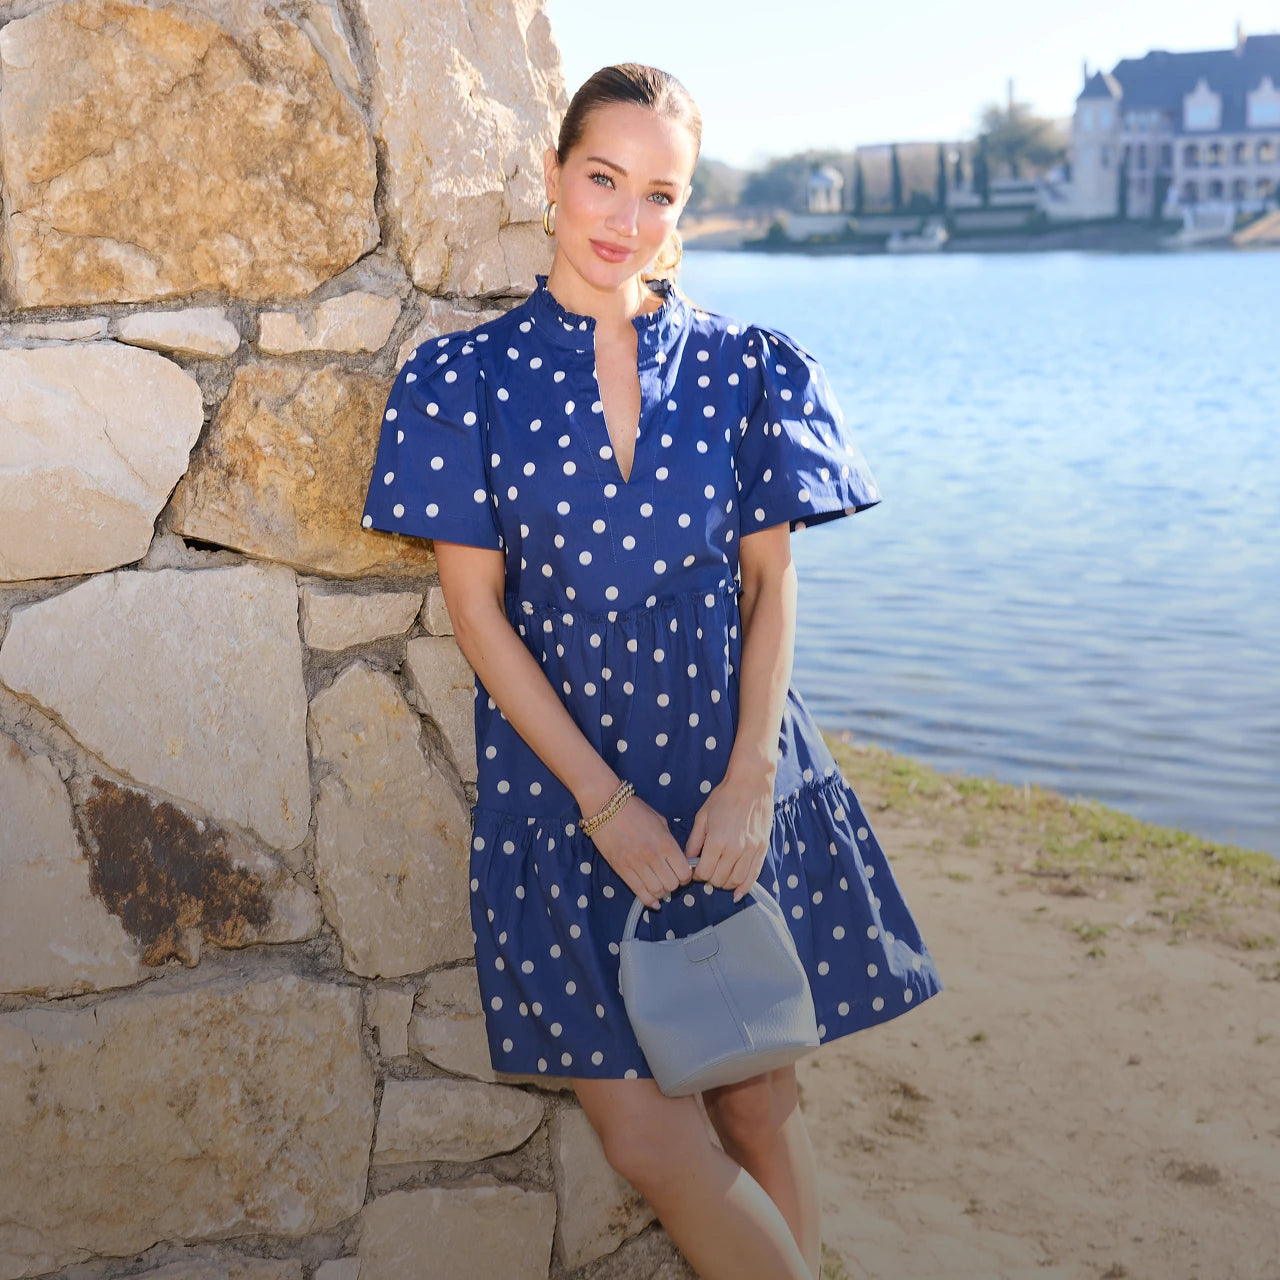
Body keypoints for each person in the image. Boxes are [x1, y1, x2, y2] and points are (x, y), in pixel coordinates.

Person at [361, 61, 943, 1280]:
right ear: (554, 177)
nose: (625, 220)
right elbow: (476, 613)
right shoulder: (462, 379)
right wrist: (604, 802)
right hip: (565, 786)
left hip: (728, 762)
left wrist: (745, 784)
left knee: (758, 1100)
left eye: (660, 194)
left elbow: (770, 587)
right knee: (645, 1134)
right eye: (603, 180)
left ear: (686, 208)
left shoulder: (746, 367)